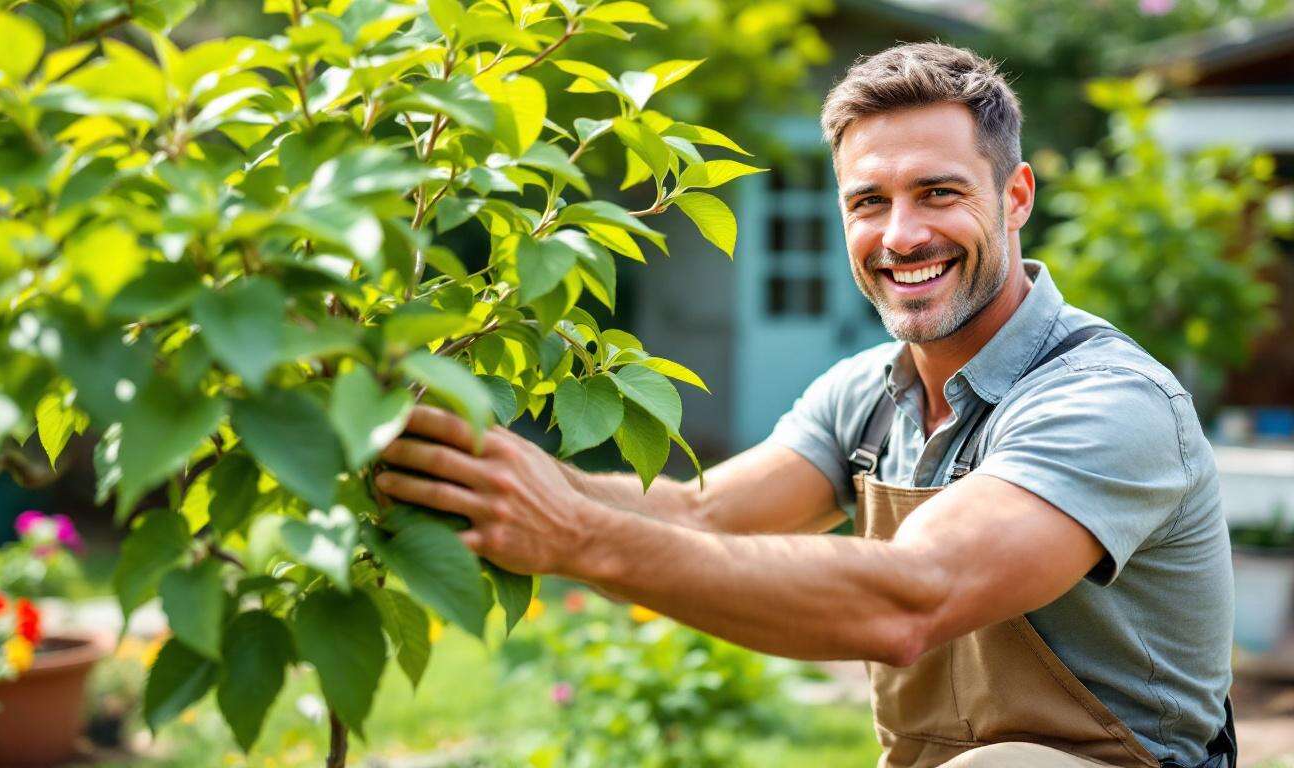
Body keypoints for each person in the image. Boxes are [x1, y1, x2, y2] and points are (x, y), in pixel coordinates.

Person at [376, 43, 1235, 768]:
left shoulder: (1108, 401)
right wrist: (477, 468)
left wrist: (575, 535)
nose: (900, 235)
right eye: (869, 202)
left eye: (938, 192)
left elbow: (910, 598)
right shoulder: (867, 393)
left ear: (1015, 199)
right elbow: (704, 514)